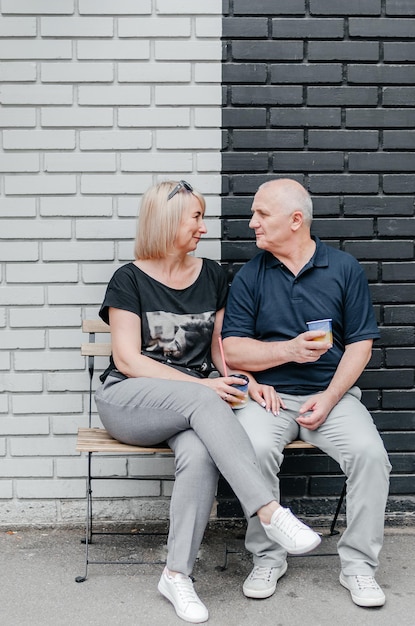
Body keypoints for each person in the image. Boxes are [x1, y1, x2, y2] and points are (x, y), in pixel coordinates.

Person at [94, 180, 321, 624]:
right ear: (167, 221)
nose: (203, 226)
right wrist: (201, 386)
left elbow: (219, 350)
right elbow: (126, 358)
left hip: (195, 406)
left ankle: (176, 574)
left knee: (199, 455)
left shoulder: (214, 275)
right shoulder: (129, 279)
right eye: (195, 217)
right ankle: (270, 511)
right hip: (129, 400)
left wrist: (247, 380)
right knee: (205, 401)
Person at [222, 178, 392, 608]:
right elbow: (231, 348)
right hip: (270, 399)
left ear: (296, 220)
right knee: (254, 448)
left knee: (371, 456)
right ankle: (268, 556)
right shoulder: (251, 275)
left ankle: (358, 567)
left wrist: (332, 396)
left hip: (331, 397)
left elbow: (360, 343)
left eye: (262, 214)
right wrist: (288, 350)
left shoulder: (343, 268)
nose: (252, 223)